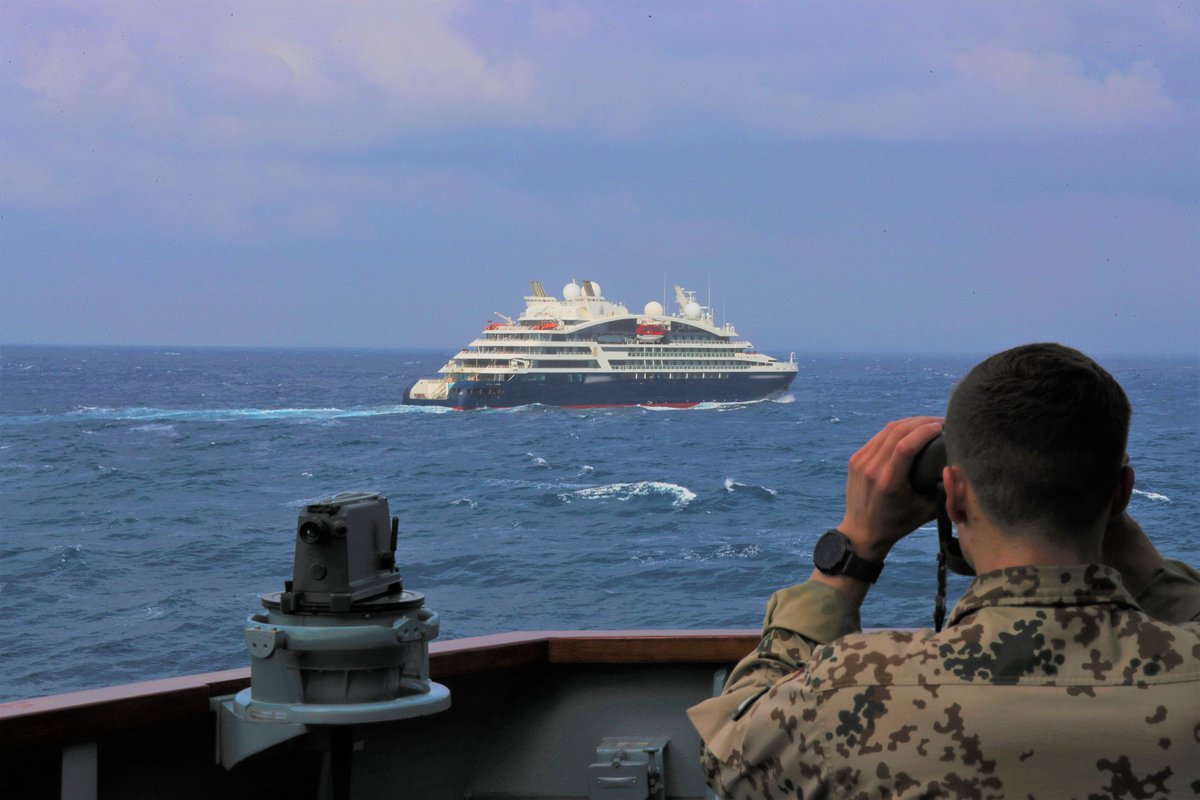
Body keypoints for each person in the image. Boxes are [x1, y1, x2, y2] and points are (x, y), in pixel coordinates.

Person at [689, 343, 1200, 798]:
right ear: (1123, 492)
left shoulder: (847, 695)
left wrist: (853, 553)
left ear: (952, 495)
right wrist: (1118, 524)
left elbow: (729, 757)